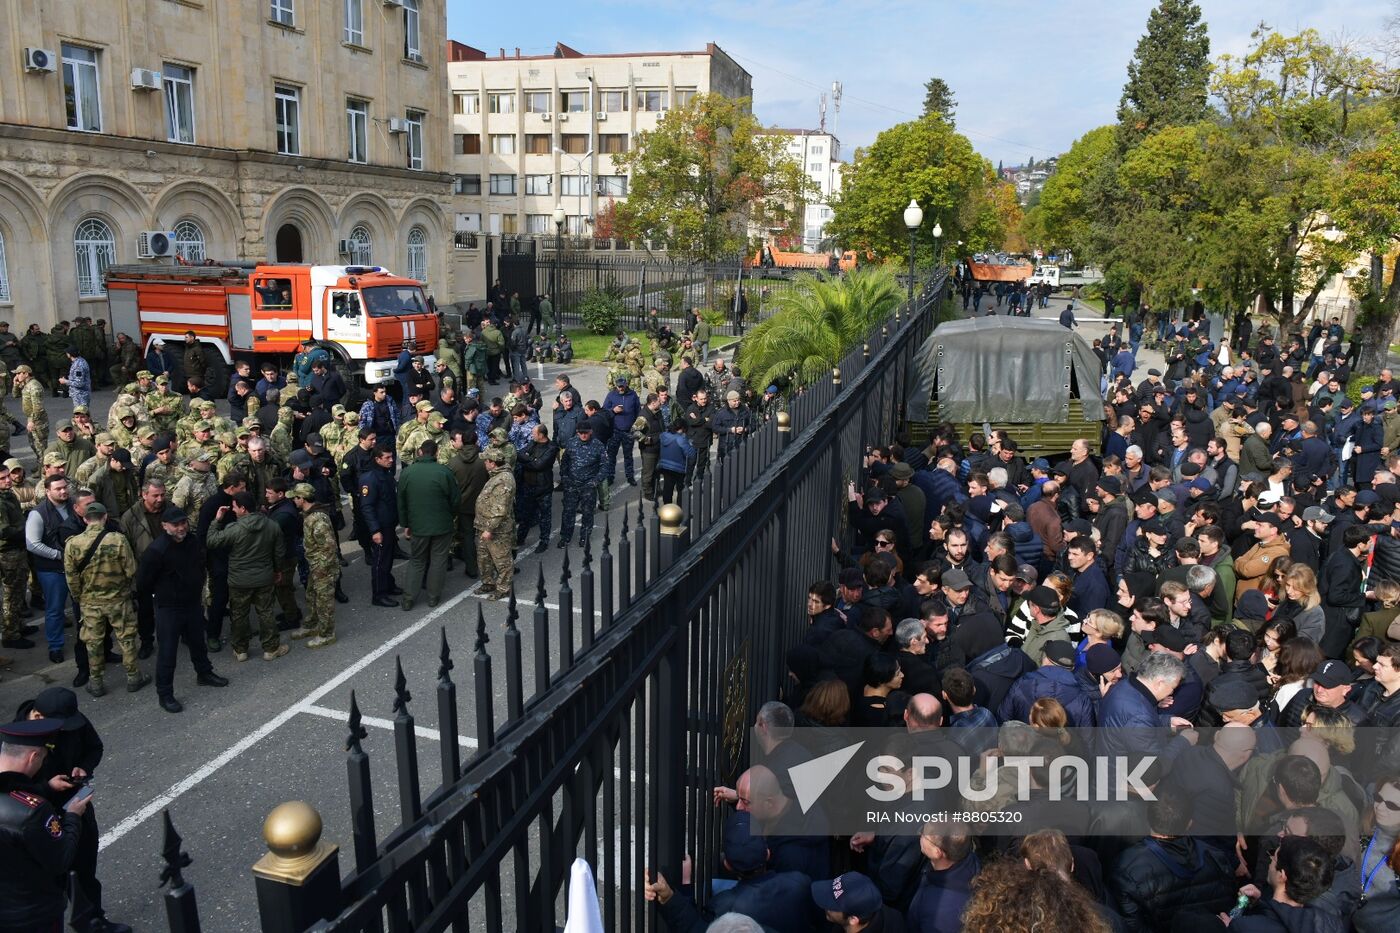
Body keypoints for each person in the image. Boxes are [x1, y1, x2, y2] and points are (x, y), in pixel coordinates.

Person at [134, 505, 228, 713]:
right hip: (169, 608)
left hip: (192, 603)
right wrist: (159, 596)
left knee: (197, 643)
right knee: (168, 652)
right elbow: (143, 583)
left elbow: (200, 564)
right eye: (175, 524)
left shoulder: (192, 541)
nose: (181, 528)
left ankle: (204, 674)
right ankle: (165, 694)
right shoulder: (156, 551)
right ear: (165, 526)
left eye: (183, 523)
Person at [0, 718, 91, 933]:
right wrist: (73, 817)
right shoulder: (34, 812)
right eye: (42, 758)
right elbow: (61, 859)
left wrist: (46, 788)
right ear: (33, 757)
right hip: (32, 914)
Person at [64, 501, 149, 697]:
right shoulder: (118, 539)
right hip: (119, 600)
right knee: (126, 638)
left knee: (93, 642)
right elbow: (131, 570)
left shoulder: (73, 544)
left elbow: (71, 578)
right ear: (105, 518)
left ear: (85, 519)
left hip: (90, 603)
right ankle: (133, 677)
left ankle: (96, 683)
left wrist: (80, 598)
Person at [206, 491, 288, 662]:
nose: (233, 510)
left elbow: (212, 541)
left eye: (235, 507)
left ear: (243, 509)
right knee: (266, 612)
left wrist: (217, 520)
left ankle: (241, 650)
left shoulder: (234, 529)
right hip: (264, 577)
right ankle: (271, 648)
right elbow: (279, 552)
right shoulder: (271, 525)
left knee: (239, 615)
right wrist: (277, 570)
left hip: (239, 581)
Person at [397, 438, 459, 610]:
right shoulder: (444, 472)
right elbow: (455, 500)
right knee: (438, 560)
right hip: (442, 524)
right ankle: (433, 596)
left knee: (417, 560)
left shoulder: (408, 472)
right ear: (437, 452)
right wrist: (449, 516)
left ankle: (408, 598)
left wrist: (406, 524)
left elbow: (401, 502)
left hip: (418, 526)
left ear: (420, 452)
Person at [290, 482, 338, 648]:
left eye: (295, 498)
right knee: (311, 595)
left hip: (322, 567)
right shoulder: (307, 515)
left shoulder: (317, 519)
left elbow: (329, 547)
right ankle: (312, 624)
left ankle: (326, 634)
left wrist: (321, 569)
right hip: (314, 565)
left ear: (302, 499)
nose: (293, 501)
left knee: (324, 601)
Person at [360, 445, 400, 607]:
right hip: (380, 527)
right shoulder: (369, 478)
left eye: (392, 457)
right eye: (387, 458)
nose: (391, 460)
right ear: (377, 459)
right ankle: (379, 594)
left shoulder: (385, 474)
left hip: (389, 524)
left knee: (388, 558)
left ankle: (388, 585)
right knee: (380, 561)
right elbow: (367, 506)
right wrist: (375, 530)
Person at [475, 447, 517, 600]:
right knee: (484, 557)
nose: (484, 463)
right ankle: (488, 583)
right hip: (484, 525)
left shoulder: (504, 479)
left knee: (502, 559)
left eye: (486, 461)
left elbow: (500, 508)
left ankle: (503, 588)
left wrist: (489, 528)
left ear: (493, 463)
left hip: (496, 529)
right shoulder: (496, 475)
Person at [558, 421, 605, 549]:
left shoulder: (598, 445)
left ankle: (585, 536)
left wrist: (595, 481)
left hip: (588, 486)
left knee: (587, 512)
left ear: (591, 432)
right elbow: (565, 462)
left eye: (586, 433)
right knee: (568, 512)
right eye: (581, 433)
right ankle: (565, 537)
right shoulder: (571, 443)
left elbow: (604, 466)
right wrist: (565, 477)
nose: (583, 435)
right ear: (577, 432)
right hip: (572, 485)